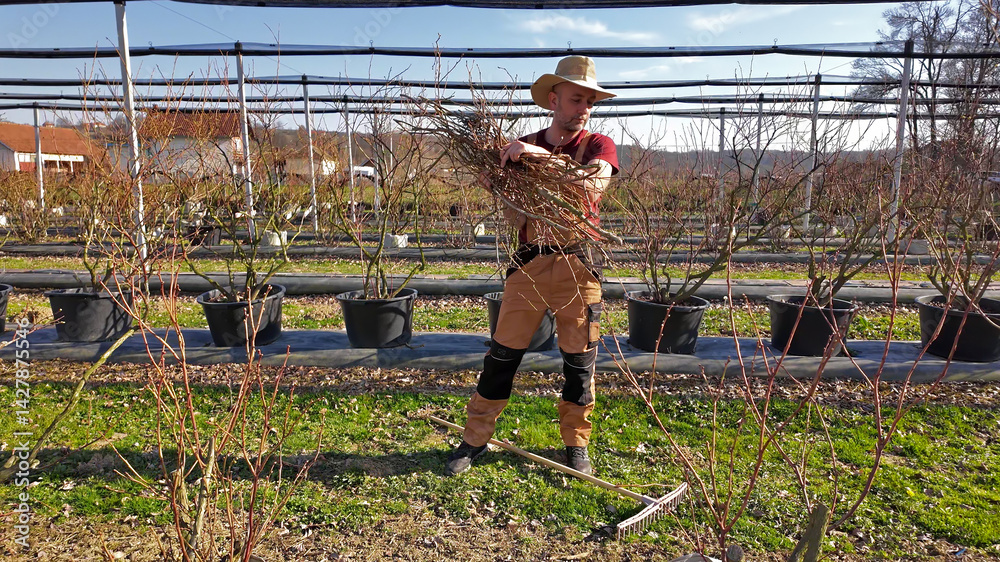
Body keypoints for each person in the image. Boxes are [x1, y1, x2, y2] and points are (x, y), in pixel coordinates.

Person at [446, 56, 619, 476]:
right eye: (576, 99)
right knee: (502, 356)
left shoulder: (598, 146)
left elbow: (590, 185)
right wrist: (502, 189)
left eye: (590, 102)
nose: (584, 109)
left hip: (578, 264)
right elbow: (517, 216)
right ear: (553, 100)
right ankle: (474, 439)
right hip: (530, 264)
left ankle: (576, 443)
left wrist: (538, 158)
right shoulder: (519, 145)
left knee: (579, 361)